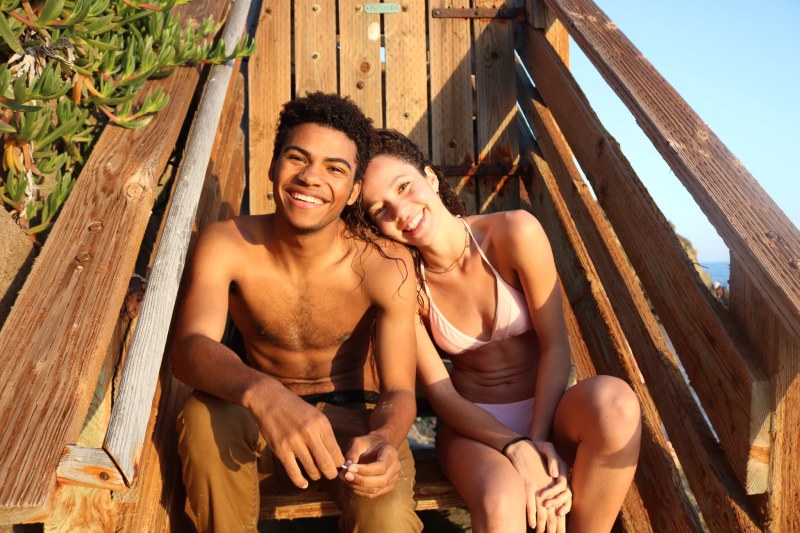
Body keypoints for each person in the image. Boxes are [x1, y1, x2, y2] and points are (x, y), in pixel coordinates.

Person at [353, 129, 642, 533]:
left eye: (404, 186)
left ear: (431, 178)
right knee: (501, 497)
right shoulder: (404, 283)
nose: (401, 211)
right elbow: (441, 392)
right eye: (379, 209)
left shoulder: (513, 233)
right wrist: (515, 447)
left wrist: (538, 442)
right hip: (475, 429)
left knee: (617, 402)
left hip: (548, 410)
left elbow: (557, 346)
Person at [172, 94, 423, 533]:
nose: (310, 178)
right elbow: (190, 349)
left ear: (354, 192)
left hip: (355, 424)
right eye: (297, 158)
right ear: (273, 167)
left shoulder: (385, 264)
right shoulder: (226, 244)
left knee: (387, 518)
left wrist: (384, 439)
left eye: (335, 168)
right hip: (257, 420)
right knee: (201, 415)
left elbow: (399, 390)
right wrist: (266, 395)